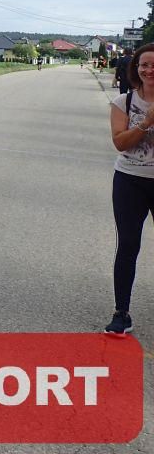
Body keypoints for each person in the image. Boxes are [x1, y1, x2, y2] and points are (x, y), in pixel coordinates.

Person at [105, 44, 154, 337]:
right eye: (144, 65)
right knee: (128, 245)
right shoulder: (123, 102)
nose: (149, 70)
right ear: (136, 68)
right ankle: (121, 313)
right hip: (130, 180)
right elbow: (120, 143)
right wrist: (147, 122)